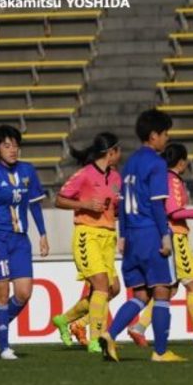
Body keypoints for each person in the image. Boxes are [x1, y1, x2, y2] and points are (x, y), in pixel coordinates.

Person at [99, 108, 186, 362]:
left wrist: (123, 236)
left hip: (132, 238)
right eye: (165, 133)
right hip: (151, 233)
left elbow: (123, 203)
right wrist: (165, 237)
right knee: (163, 292)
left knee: (140, 295)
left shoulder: (129, 165)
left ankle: (110, 333)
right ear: (153, 135)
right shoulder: (157, 163)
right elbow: (158, 205)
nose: (167, 138)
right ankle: (160, 352)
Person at [127, 142, 193, 347]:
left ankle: (139, 327)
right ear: (181, 162)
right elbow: (174, 212)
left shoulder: (162, 178)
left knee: (169, 291)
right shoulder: (173, 181)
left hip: (169, 236)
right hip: (176, 238)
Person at [0, 125, 49, 359]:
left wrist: (42, 234)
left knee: (24, 292)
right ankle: (4, 346)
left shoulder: (28, 170)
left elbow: (34, 205)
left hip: (21, 240)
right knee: (1, 291)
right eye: (7, 146)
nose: (13, 150)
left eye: (16, 145)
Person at [51, 132, 122, 353]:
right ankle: (95, 340)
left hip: (108, 237)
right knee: (101, 286)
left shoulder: (116, 178)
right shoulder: (84, 175)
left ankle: (68, 321)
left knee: (113, 289)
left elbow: (115, 207)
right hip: (87, 235)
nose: (120, 155)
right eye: (118, 150)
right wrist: (85, 205)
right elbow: (59, 200)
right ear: (110, 152)